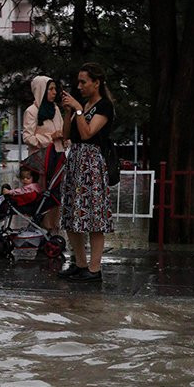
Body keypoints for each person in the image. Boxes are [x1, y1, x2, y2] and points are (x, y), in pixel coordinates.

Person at [59, 62, 115, 282]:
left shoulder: (104, 107)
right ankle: (80, 264)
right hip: (76, 161)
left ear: (96, 83)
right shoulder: (83, 105)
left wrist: (79, 110)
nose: (79, 86)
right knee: (73, 214)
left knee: (93, 217)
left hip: (92, 163)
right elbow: (68, 135)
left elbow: (88, 133)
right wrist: (68, 112)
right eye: (78, 81)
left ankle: (94, 268)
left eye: (83, 81)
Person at [22, 75, 64, 232]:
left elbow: (60, 131)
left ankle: (54, 229)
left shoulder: (56, 109)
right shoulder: (32, 111)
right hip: (41, 162)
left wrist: (64, 139)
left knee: (55, 196)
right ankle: (43, 230)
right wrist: (49, 139)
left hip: (58, 159)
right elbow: (27, 137)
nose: (54, 92)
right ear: (41, 90)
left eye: (55, 89)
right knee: (43, 195)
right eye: (50, 89)